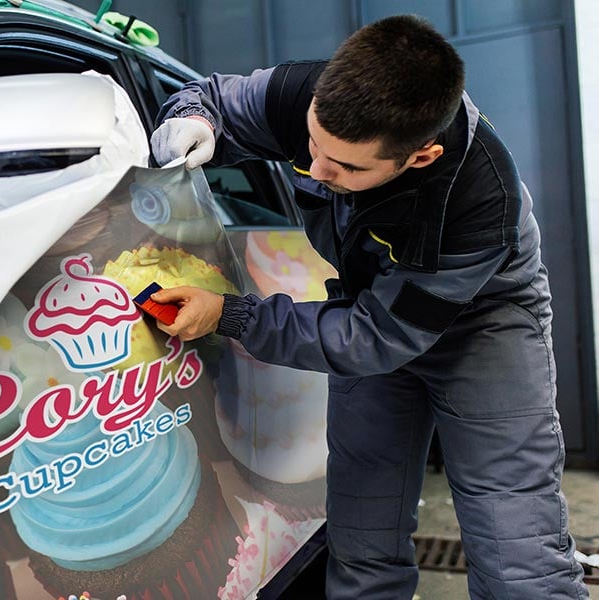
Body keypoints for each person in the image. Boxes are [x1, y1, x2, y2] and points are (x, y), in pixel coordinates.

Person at [149, 14, 589, 600]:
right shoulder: (305, 95)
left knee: (516, 547)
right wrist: (192, 122)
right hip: (366, 305)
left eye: (348, 167)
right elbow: (213, 98)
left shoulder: (479, 202)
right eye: (311, 149)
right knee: (361, 535)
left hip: (482, 327)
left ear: (421, 157)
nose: (321, 174)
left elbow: (372, 340)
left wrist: (233, 315)